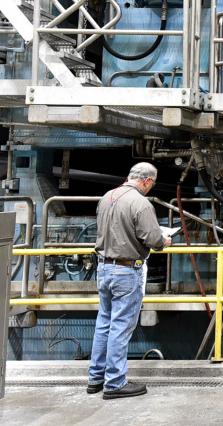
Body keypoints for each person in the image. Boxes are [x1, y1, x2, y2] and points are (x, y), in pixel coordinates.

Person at [86, 162, 171, 399]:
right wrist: (164, 241)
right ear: (147, 181)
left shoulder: (107, 196)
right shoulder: (141, 204)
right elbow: (153, 240)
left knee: (104, 324)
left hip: (103, 269)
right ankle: (114, 383)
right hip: (126, 272)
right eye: (151, 184)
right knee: (120, 328)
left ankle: (96, 378)